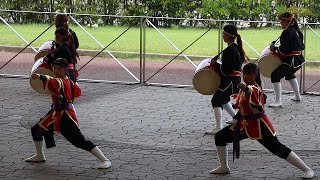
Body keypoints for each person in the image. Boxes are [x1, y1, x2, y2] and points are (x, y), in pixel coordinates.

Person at [210, 63, 314, 179]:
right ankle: (224, 167)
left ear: (254, 74)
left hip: (260, 125)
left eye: (248, 74)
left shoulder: (254, 88)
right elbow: (246, 102)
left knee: (277, 148)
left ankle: (306, 169)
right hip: (244, 124)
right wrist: (238, 106)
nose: (245, 77)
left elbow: (251, 93)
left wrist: (244, 88)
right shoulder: (247, 86)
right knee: (220, 137)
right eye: (244, 74)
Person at [25, 58, 111, 169]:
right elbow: (77, 92)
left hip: (65, 116)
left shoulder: (62, 81)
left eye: (59, 68)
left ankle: (105, 160)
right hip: (55, 113)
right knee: (37, 130)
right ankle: (40, 155)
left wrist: (40, 76)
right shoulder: (68, 80)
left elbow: (53, 81)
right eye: (55, 67)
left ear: (65, 70)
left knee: (79, 141)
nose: (56, 70)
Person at [205, 24, 247, 135]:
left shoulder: (230, 50)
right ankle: (236, 118)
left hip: (230, 80)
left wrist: (216, 65)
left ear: (228, 35)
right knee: (222, 98)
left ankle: (219, 127)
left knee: (216, 100)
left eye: (224, 33)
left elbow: (226, 69)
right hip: (234, 80)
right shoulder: (235, 47)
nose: (222, 35)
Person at [269, 12, 304, 107]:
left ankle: (278, 101)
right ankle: (297, 96)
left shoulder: (287, 32)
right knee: (289, 74)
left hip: (292, 61)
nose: (280, 23)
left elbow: (284, 50)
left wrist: (274, 48)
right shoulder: (295, 30)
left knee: (275, 75)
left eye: (281, 20)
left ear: (286, 21)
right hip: (298, 59)